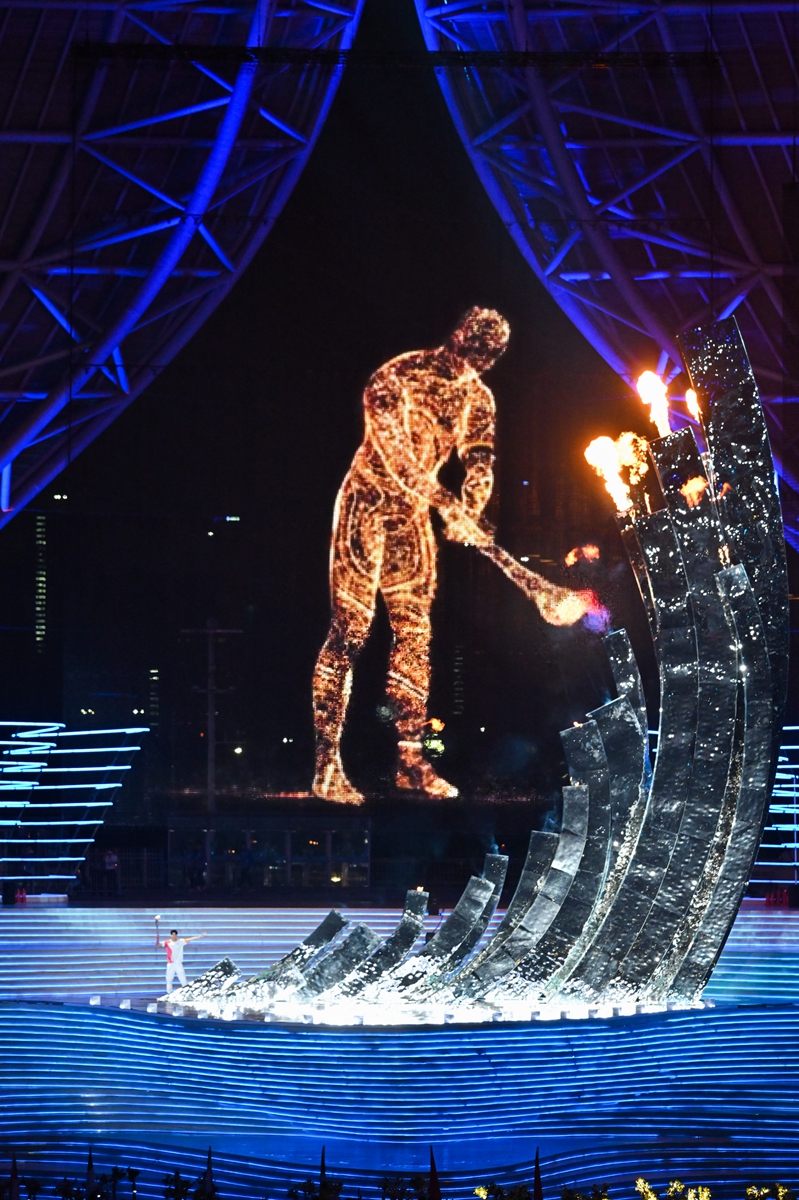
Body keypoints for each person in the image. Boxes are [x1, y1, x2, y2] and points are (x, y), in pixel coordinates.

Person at [312, 307, 510, 804]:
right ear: (460, 335)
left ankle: (411, 761)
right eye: (477, 347)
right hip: (367, 504)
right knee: (351, 631)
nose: (481, 360)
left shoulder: (478, 399)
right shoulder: (395, 377)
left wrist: (473, 505)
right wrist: (450, 505)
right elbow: (397, 460)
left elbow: (480, 461)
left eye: (491, 355)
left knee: (415, 638)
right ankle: (326, 766)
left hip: (411, 521)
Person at [156, 927, 207, 993]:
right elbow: (157, 944)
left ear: (176, 935)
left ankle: (187, 992)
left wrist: (200, 936)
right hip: (170, 964)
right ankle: (169, 993)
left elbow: (190, 939)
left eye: (174, 934)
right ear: (171, 935)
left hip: (178, 964)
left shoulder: (181, 941)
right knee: (169, 980)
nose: (173, 936)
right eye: (172, 934)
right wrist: (157, 938)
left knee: (183, 980)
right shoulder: (167, 942)